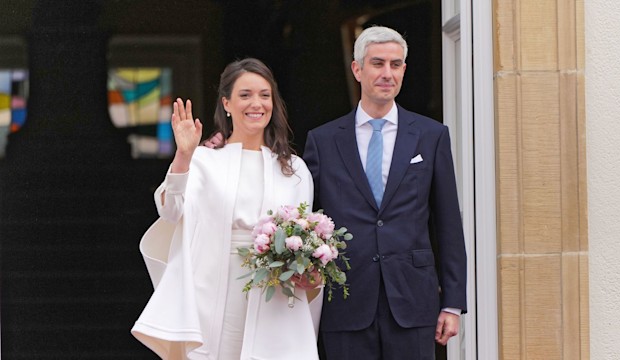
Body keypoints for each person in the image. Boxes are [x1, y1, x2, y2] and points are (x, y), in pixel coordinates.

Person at [132, 58, 322, 360]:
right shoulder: (205, 160)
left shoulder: (294, 169)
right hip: (214, 288)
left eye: (264, 95)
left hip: (272, 293)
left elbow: (305, 238)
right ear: (227, 104)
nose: (256, 103)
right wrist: (183, 156)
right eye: (245, 95)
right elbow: (170, 212)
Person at [302, 26, 467, 359]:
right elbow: (305, 217)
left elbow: (448, 221)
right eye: (377, 63)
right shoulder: (322, 140)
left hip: (413, 301)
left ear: (404, 70)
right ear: (357, 69)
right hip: (346, 301)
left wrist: (452, 301)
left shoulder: (430, 136)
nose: (387, 73)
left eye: (396, 64)